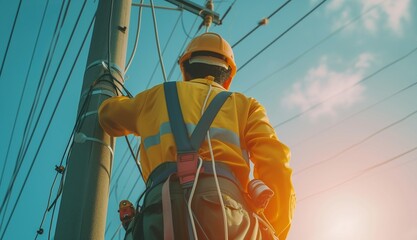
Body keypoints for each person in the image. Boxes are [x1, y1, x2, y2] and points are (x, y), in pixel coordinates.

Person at [98, 32, 295, 240]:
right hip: (228, 211)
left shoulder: (154, 97)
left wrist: (104, 87)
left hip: (160, 209)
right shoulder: (246, 106)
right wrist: (275, 226)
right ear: (228, 77)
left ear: (186, 69)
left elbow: (108, 115)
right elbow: (276, 162)